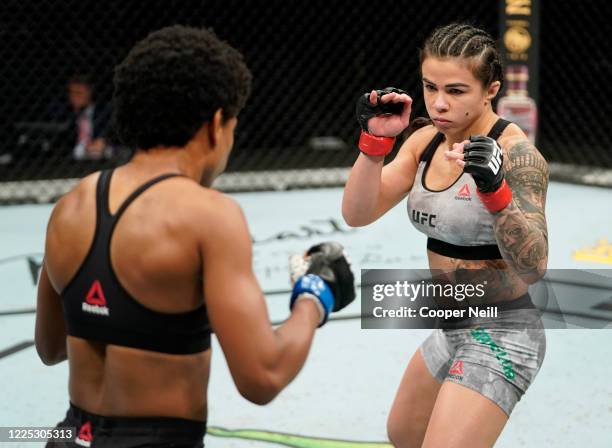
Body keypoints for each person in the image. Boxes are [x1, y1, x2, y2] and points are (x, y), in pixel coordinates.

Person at [36, 25, 354, 447]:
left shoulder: (71, 205)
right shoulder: (209, 216)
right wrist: (316, 294)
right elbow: (263, 376)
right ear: (216, 123)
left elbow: (51, 347)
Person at [343, 23, 548, 447]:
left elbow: (534, 267)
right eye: (430, 86)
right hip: (451, 323)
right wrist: (374, 144)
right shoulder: (424, 141)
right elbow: (358, 213)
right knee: (404, 435)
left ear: (490, 90)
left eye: (456, 91)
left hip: (505, 329)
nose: (438, 103)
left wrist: (495, 192)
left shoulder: (517, 154)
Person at [48, 74, 112, 160]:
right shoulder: (63, 113)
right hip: (72, 157)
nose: (75, 97)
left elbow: (109, 132)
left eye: (79, 93)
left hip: (98, 152)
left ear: (90, 92)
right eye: (72, 93)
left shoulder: (104, 112)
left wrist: (103, 140)